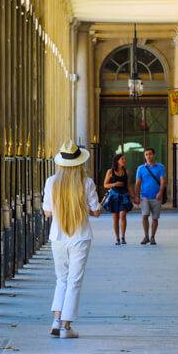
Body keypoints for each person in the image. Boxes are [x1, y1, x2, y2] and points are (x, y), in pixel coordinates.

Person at [42, 140, 101, 339]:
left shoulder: (52, 182)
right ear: (79, 162)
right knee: (74, 281)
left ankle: (56, 320)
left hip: (58, 236)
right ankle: (66, 326)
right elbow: (95, 211)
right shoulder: (87, 182)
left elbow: (47, 212)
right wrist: (92, 207)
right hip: (80, 236)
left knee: (61, 279)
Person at [134, 147, 167, 245]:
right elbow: (137, 183)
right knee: (144, 215)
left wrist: (160, 192)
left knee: (155, 218)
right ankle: (146, 236)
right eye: (146, 154)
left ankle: (152, 237)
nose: (148, 156)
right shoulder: (141, 168)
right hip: (144, 196)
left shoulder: (160, 167)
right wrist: (136, 195)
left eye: (150, 154)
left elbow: (162, 181)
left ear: (154, 155)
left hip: (156, 196)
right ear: (144, 156)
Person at [103, 153, 135, 245]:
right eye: (122, 159)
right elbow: (105, 185)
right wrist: (114, 184)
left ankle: (123, 237)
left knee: (123, 215)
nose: (124, 161)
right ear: (117, 161)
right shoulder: (110, 171)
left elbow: (128, 185)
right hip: (114, 196)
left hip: (124, 196)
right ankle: (117, 238)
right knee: (115, 218)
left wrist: (133, 196)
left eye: (125, 159)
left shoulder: (126, 172)